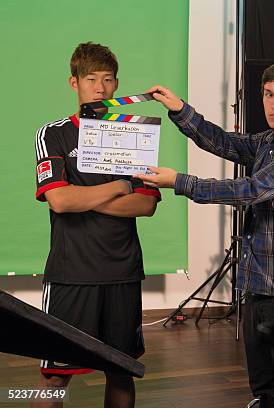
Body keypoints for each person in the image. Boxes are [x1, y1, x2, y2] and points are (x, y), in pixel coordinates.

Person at [135, 60, 274, 407]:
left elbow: (253, 189)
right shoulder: (270, 141)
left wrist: (179, 182)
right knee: (263, 379)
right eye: (268, 95)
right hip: (258, 279)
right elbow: (224, 143)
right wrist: (180, 110)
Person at [33, 42, 161, 408]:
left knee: (121, 371)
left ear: (117, 84)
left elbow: (146, 205)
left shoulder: (132, 133)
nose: (100, 88)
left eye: (107, 80)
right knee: (54, 377)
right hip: (71, 274)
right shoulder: (53, 134)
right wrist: (120, 186)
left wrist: (84, 197)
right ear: (74, 83)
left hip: (122, 272)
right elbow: (59, 200)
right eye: (91, 79)